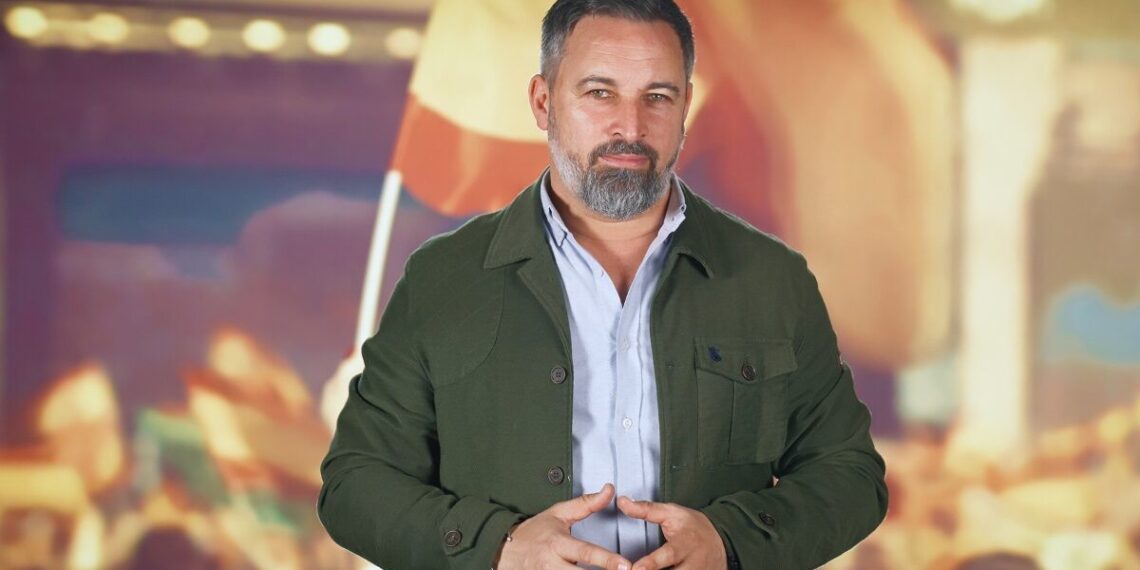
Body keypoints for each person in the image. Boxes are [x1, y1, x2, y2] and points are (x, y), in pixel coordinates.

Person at [318, 1, 888, 568]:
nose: (630, 127)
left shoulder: (771, 280)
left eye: (657, 96)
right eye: (599, 93)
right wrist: (498, 548)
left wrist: (730, 541)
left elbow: (850, 474)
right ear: (543, 102)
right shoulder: (444, 279)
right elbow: (355, 483)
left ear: (686, 107)